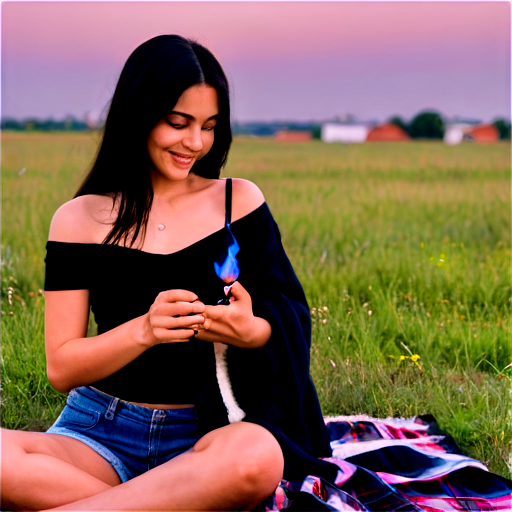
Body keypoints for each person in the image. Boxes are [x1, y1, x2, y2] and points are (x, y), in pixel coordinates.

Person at [0, 35, 337, 511]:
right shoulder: (78, 219)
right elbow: (62, 366)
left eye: (209, 126)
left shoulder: (237, 202)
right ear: (139, 112)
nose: (195, 143)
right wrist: (144, 330)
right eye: (178, 123)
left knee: (258, 456)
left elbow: (290, 314)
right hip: (99, 433)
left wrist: (253, 330)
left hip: (207, 435)